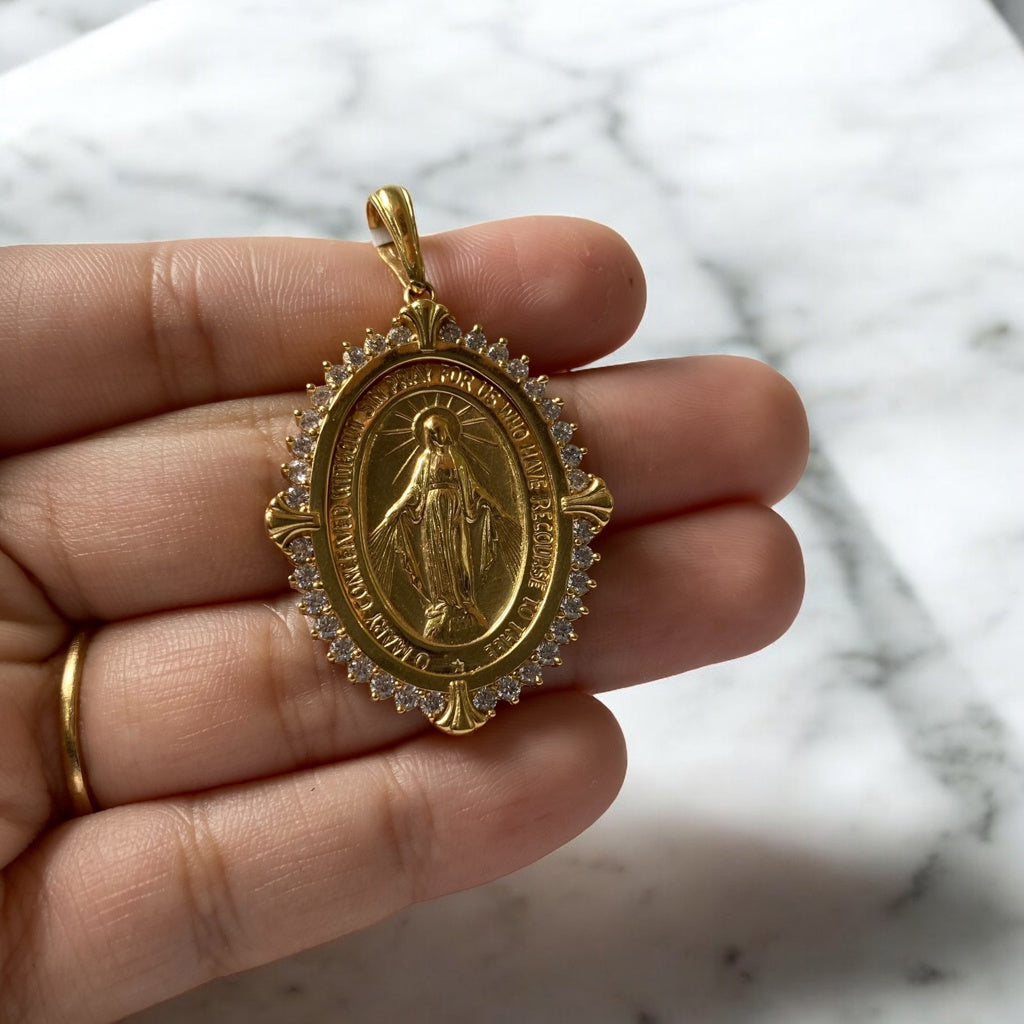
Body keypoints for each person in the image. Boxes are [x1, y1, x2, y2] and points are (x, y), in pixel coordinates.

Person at [0, 217, 808, 1021]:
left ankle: (456, 602)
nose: (435, 432)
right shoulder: (422, 460)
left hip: (467, 542)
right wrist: (380, 526)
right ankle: (447, 602)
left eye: (439, 426)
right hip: (425, 541)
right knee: (439, 574)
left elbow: (493, 497)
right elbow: (396, 510)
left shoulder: (455, 453)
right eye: (430, 428)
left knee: (464, 578)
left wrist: (515, 513)